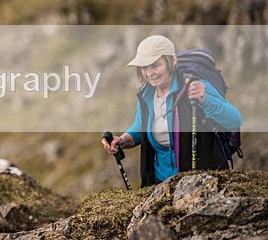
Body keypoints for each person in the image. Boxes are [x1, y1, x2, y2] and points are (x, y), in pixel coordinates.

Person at [102, 35, 242, 187]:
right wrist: (123, 140)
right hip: (160, 182)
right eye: (144, 67)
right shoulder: (146, 95)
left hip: (201, 182)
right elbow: (140, 125)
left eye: (155, 65)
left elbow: (234, 120)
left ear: (172, 61)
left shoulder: (195, 87)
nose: (149, 73)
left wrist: (206, 99)